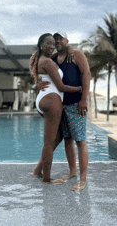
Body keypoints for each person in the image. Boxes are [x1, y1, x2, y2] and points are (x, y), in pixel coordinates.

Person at [32, 32, 91, 191]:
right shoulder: (52, 58)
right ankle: (73, 172)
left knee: (80, 140)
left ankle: (83, 179)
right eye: (55, 40)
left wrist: (83, 98)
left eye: (60, 39)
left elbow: (86, 74)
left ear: (67, 41)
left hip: (76, 104)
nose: (57, 42)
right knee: (66, 140)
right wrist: (38, 81)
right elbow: (43, 70)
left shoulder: (76, 54)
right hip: (61, 105)